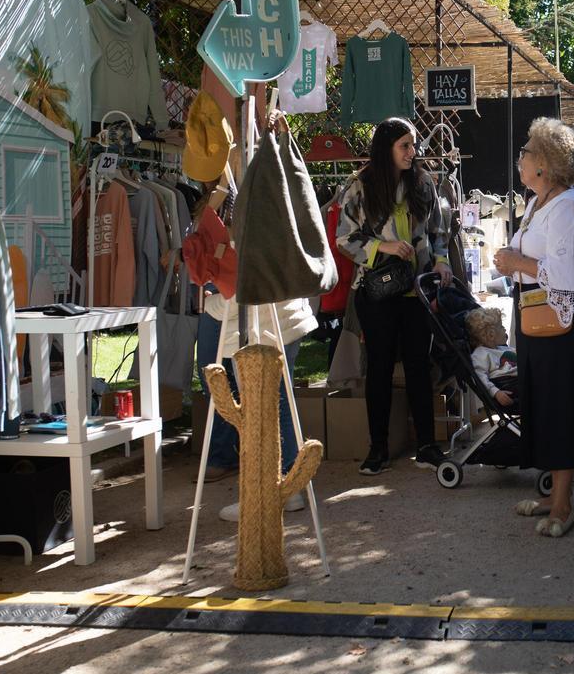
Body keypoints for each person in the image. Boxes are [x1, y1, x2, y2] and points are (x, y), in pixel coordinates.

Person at [493, 117, 574, 538]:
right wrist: (513, 260)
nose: (519, 158)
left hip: (566, 323)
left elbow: (565, 276)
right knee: (543, 403)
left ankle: (563, 505)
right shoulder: (538, 202)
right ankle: (554, 495)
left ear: (543, 163)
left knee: (562, 406)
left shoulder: (568, 205)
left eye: (525, 152)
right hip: (539, 317)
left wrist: (515, 262)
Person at [335, 117, 453, 475]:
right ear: (385, 148)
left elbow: (438, 231)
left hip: (417, 290)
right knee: (380, 369)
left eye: (413, 145)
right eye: (404, 145)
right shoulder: (361, 187)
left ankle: (428, 447)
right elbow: (344, 239)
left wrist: (443, 262)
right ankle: (378, 449)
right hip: (377, 292)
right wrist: (382, 246)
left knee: (420, 367)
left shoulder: (424, 183)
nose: (411, 152)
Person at [197, 292, 318, 521]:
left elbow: (237, 293)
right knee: (280, 401)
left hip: (260, 324)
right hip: (286, 317)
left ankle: (269, 491)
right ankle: (287, 486)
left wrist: (210, 304)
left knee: (262, 408)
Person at [466, 306, 518, 409]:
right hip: (510, 386)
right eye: (501, 327)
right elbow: (479, 377)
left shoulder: (503, 349)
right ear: (491, 335)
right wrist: (495, 392)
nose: (504, 329)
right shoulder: (481, 354)